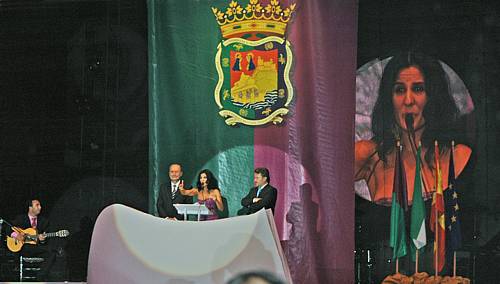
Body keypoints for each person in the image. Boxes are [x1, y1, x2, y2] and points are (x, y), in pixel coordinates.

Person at [354, 52, 472, 205]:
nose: (408, 101)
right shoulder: (370, 155)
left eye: (418, 89)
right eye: (400, 90)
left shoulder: (457, 157)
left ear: (433, 96)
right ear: (389, 99)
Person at [9, 199, 55, 281]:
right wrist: (16, 235)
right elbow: (8, 228)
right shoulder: (20, 218)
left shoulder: (44, 221)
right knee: (28, 247)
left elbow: (45, 240)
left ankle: (40, 277)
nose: (40, 207)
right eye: (37, 205)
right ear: (30, 207)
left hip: (37, 248)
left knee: (52, 253)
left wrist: (42, 240)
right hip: (23, 248)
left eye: (40, 205)